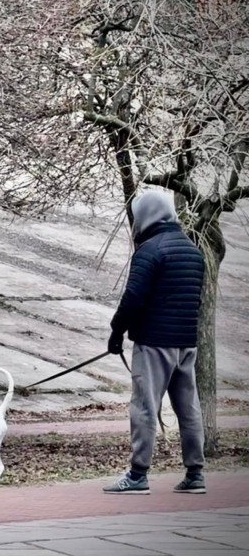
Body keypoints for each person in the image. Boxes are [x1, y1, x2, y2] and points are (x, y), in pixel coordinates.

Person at [104, 190, 205, 495]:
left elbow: (133, 298)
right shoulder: (193, 250)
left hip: (154, 344)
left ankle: (137, 475)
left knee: (145, 407)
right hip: (186, 344)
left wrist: (116, 332)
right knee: (189, 408)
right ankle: (195, 473)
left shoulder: (150, 250)